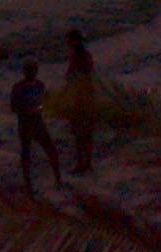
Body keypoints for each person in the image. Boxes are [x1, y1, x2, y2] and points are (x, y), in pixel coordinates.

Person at [10, 54, 65, 192]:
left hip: (37, 122)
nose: (32, 72)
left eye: (33, 69)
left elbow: (44, 101)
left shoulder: (39, 85)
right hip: (26, 123)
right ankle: (28, 181)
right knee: (27, 152)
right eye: (29, 70)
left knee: (49, 149)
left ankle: (58, 178)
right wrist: (27, 110)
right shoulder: (19, 88)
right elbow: (14, 107)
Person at [61, 25, 101, 174]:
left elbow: (74, 75)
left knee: (79, 132)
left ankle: (81, 164)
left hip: (80, 96)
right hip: (86, 95)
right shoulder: (85, 55)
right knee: (86, 132)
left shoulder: (78, 56)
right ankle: (87, 164)